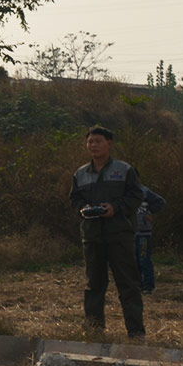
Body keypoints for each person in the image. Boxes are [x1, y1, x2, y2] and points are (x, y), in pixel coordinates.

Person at [69, 125, 146, 339]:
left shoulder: (124, 170)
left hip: (119, 235)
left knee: (128, 284)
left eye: (98, 141)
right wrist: (82, 210)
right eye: (90, 141)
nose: (93, 145)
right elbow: (75, 199)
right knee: (94, 285)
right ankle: (94, 331)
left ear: (109, 144)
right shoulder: (80, 173)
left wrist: (116, 207)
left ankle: (136, 332)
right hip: (92, 237)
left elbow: (136, 195)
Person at [135, 186, 166, 295]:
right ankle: (137, 285)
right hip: (129, 232)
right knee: (133, 260)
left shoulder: (144, 191)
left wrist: (149, 211)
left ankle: (148, 286)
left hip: (144, 232)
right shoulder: (121, 191)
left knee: (144, 259)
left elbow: (161, 202)